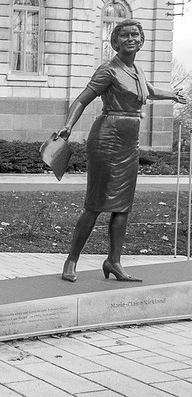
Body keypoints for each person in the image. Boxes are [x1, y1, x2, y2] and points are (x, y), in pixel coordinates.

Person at [57, 19, 187, 283]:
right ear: (115, 42)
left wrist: (172, 95)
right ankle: (71, 260)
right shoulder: (108, 70)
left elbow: (148, 91)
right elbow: (82, 99)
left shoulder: (137, 69)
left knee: (123, 207)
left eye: (136, 35)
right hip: (107, 138)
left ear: (141, 40)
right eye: (125, 35)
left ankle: (114, 261)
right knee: (94, 204)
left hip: (130, 141)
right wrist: (68, 126)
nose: (131, 39)